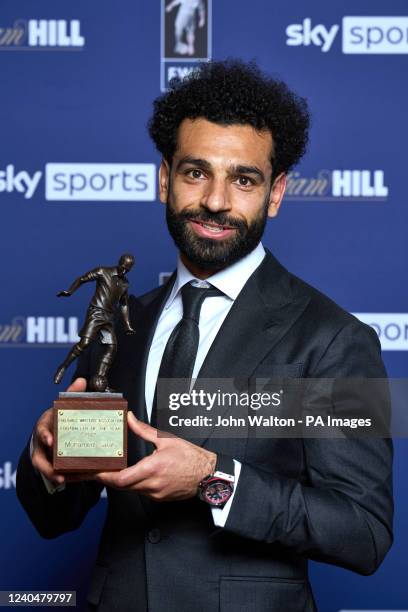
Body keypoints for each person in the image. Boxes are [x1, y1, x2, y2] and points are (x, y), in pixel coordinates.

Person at [16, 60, 393, 612]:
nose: (216, 201)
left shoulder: (335, 339)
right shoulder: (124, 322)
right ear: (165, 178)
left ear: (277, 192)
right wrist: (44, 459)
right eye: (196, 173)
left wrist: (213, 481)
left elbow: (364, 532)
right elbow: (55, 521)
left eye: (244, 179)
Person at [53, 253, 136, 391]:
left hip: (108, 319)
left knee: (111, 347)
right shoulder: (103, 271)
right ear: (119, 263)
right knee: (84, 343)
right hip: (96, 313)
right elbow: (83, 279)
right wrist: (70, 291)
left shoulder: (124, 283)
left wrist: (127, 324)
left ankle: (100, 379)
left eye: (127, 269)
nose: (124, 271)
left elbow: (124, 304)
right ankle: (63, 367)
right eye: (123, 267)